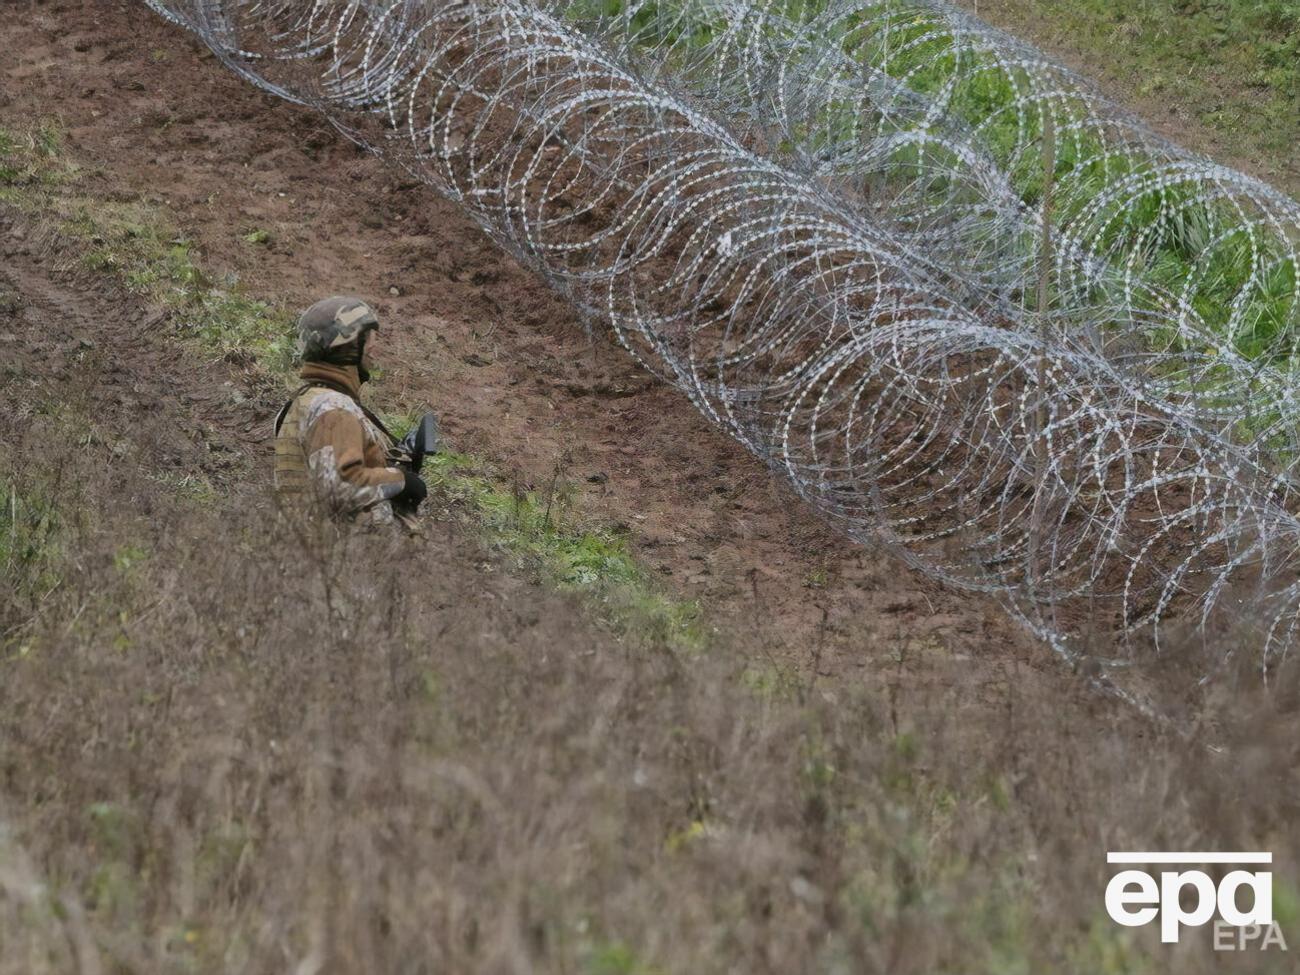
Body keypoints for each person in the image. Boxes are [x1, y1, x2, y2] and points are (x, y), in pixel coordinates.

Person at [273, 296, 427, 526]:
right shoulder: (333, 409)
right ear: (348, 346)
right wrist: (402, 481)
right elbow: (341, 487)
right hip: (334, 555)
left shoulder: (306, 401)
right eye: (369, 341)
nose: (374, 349)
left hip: (310, 551)